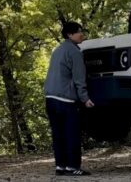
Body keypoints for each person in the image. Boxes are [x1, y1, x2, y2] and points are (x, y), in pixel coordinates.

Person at [44, 21, 94, 176]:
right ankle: (73, 167)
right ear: (69, 34)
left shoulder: (57, 50)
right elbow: (79, 78)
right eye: (79, 32)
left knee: (58, 134)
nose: (82, 34)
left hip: (50, 97)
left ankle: (61, 166)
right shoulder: (74, 51)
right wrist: (85, 98)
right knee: (72, 133)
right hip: (65, 100)